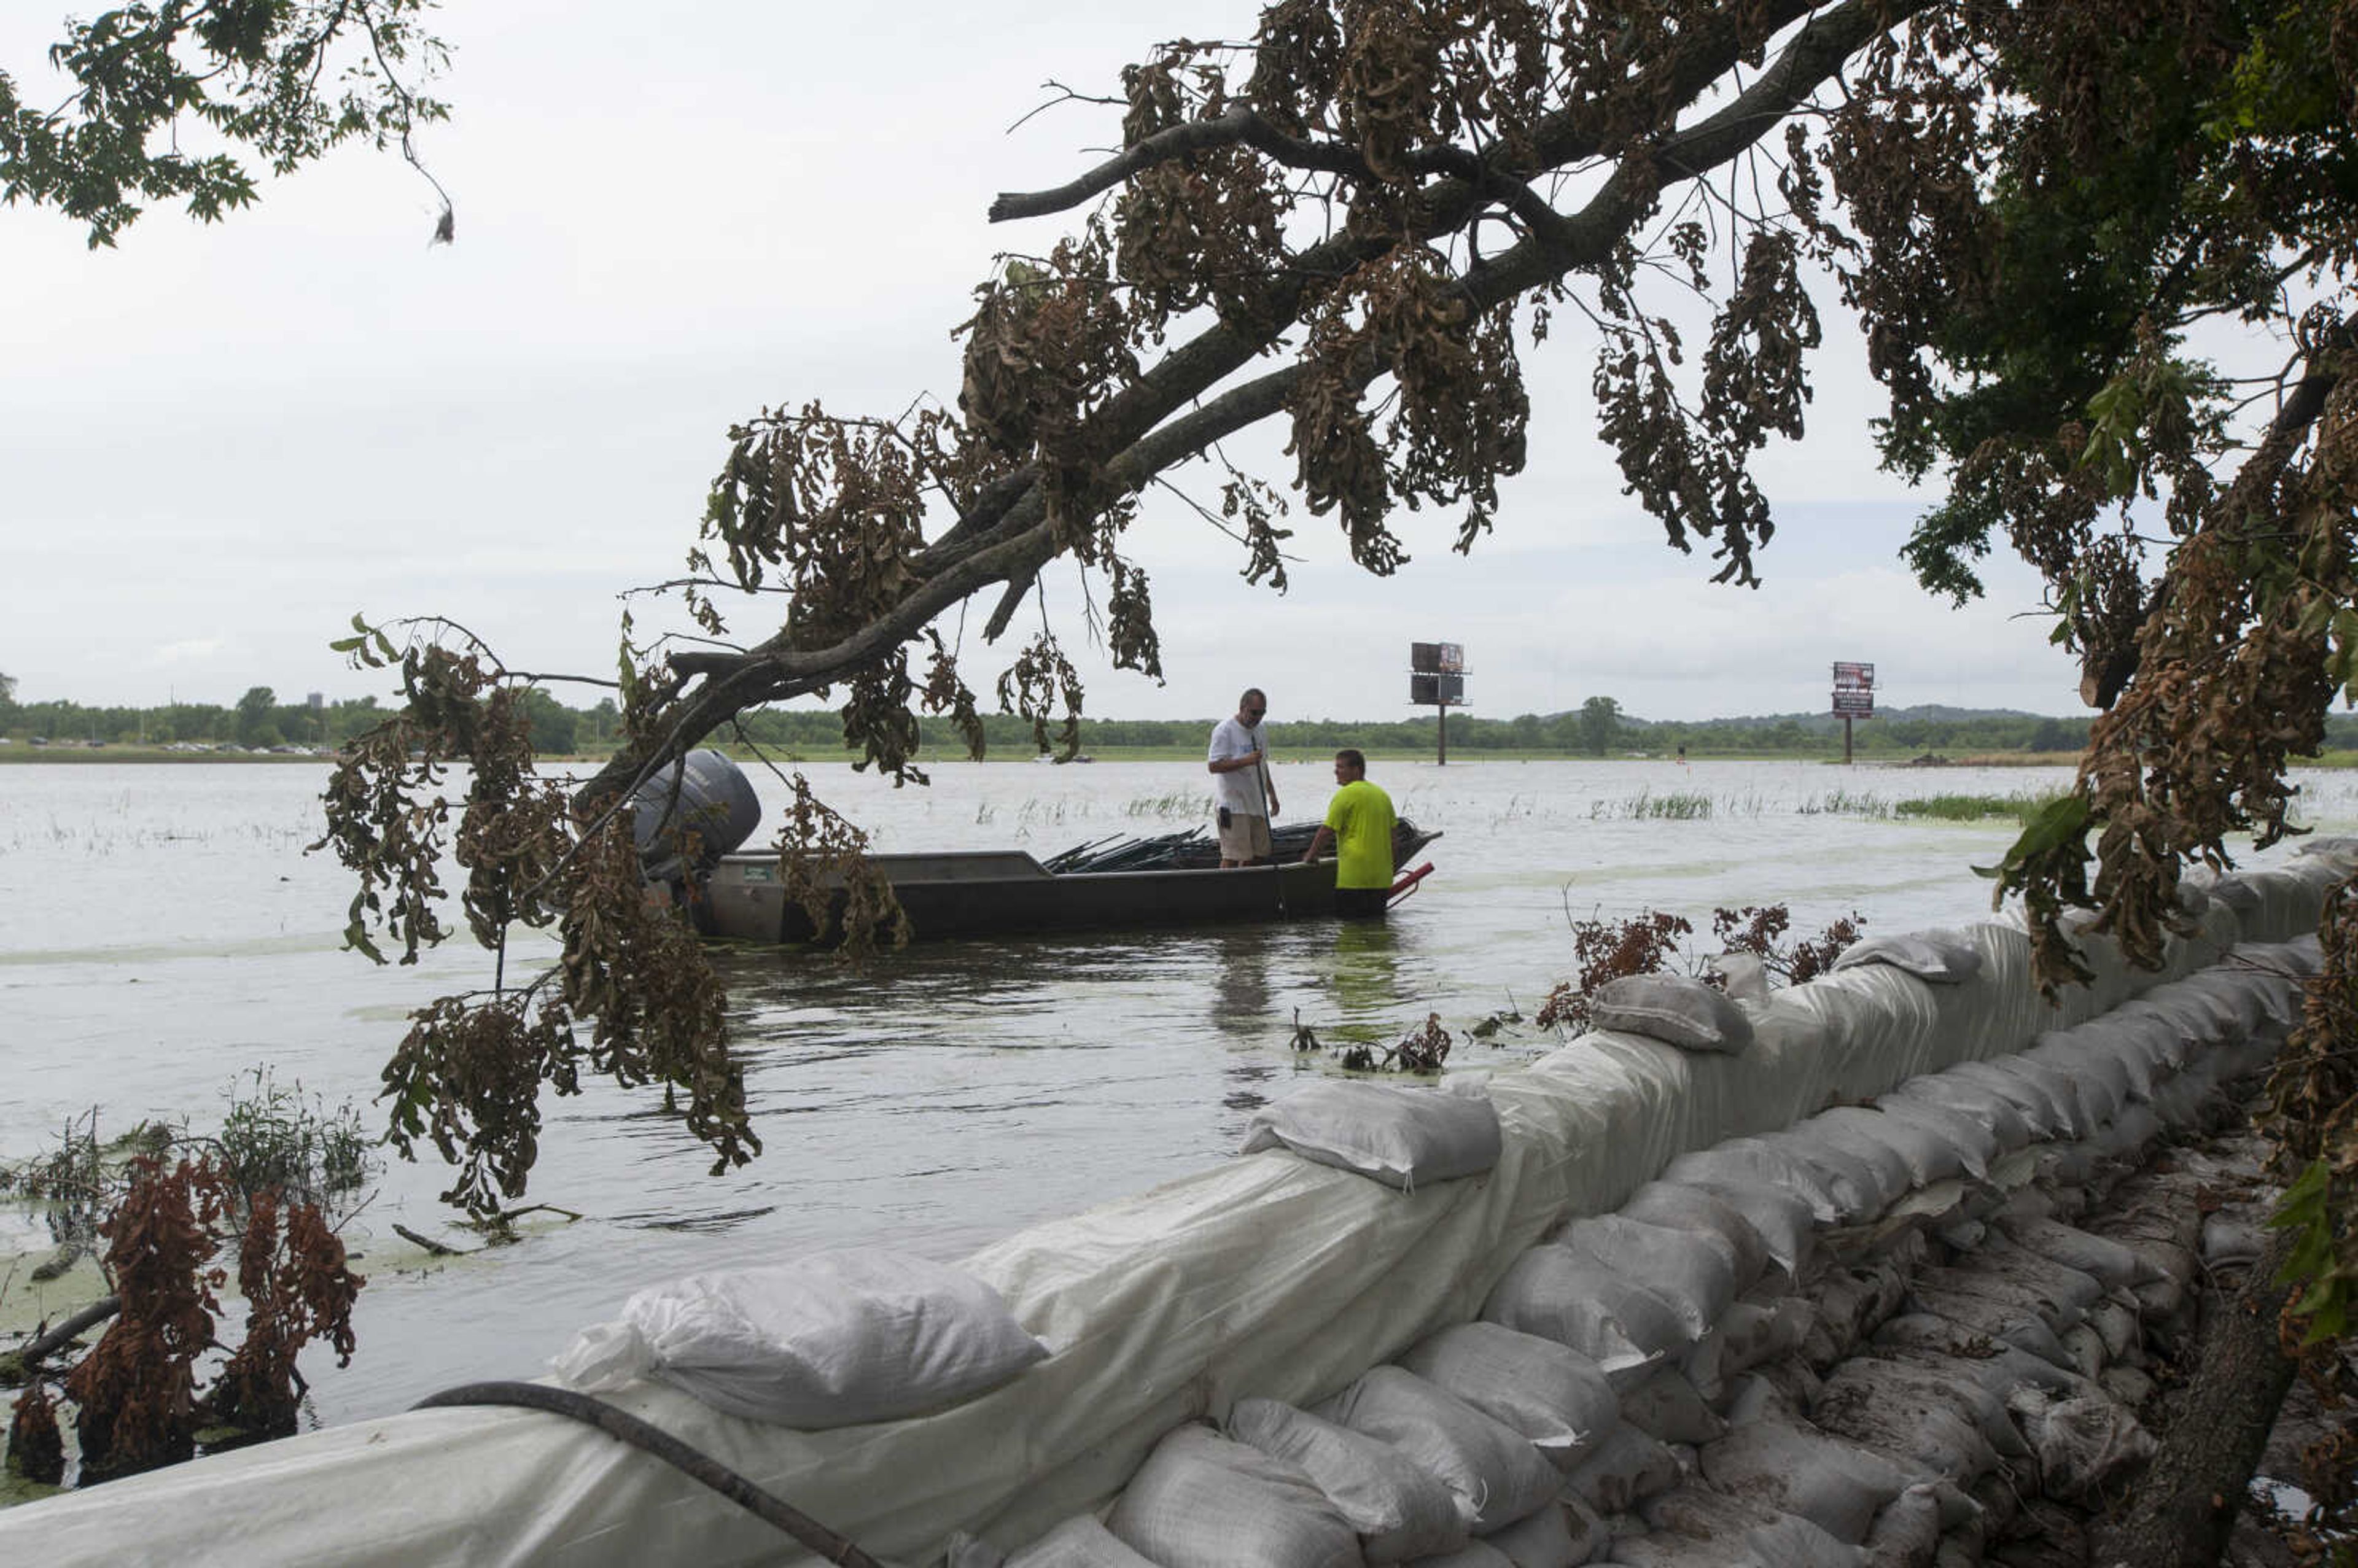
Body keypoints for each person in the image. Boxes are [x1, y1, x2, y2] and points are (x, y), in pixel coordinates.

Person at [1302, 748, 1396, 918]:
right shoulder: (1382, 795)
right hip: (1381, 878)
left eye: (1341, 767)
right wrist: (1391, 868)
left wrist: (1311, 856)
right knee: (1376, 930)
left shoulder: (1346, 794)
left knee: (1351, 933)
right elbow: (1394, 837)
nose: (1336, 771)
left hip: (1355, 878)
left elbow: (1326, 831)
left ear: (1356, 770)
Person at [1207, 688, 1279, 866]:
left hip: (1256, 803)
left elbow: (1262, 765)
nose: (1258, 717)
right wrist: (1245, 761)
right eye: (1254, 713)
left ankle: (1245, 888)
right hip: (1233, 806)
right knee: (1233, 855)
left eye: (1262, 713)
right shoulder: (1225, 730)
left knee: (1259, 853)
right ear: (1242, 707)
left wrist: (1272, 795)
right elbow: (1213, 766)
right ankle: (1226, 890)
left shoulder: (1261, 730)